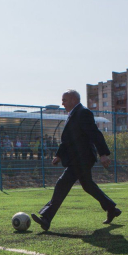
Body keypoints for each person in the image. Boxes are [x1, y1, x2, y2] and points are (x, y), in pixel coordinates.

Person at [32, 89, 120, 231]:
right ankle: (111, 209)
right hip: (77, 158)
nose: (62, 103)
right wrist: (59, 155)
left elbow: (95, 134)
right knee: (88, 186)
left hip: (83, 158)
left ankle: (46, 218)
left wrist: (103, 154)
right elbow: (67, 139)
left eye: (64, 100)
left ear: (73, 100)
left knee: (62, 184)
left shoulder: (83, 113)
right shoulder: (73, 114)